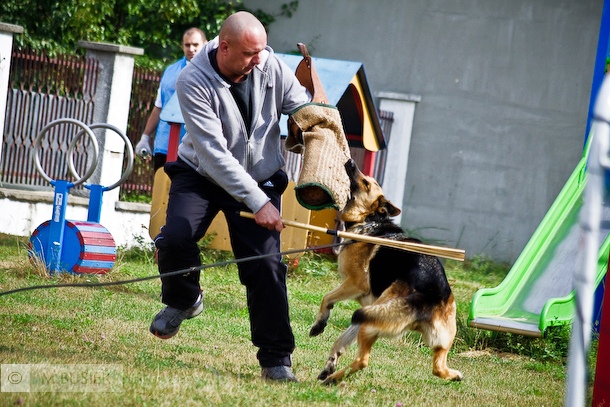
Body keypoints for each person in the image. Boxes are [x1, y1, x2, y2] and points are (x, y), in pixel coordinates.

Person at [149, 11, 310, 382]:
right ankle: (184, 299)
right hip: (202, 174)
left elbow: (303, 107)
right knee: (174, 238)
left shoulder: (271, 66)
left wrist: (310, 122)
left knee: (266, 265)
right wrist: (259, 203)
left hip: (261, 176)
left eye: (261, 51)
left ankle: (276, 359)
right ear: (224, 48)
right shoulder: (193, 80)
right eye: (250, 54)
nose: (259, 60)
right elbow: (214, 156)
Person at [135, 27, 207, 171]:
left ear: (205, 44)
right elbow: (159, 107)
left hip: (193, 148)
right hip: (165, 144)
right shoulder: (171, 71)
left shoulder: (210, 73)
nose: (191, 49)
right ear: (182, 46)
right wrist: (145, 137)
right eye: (187, 45)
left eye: (195, 45)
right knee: (161, 183)